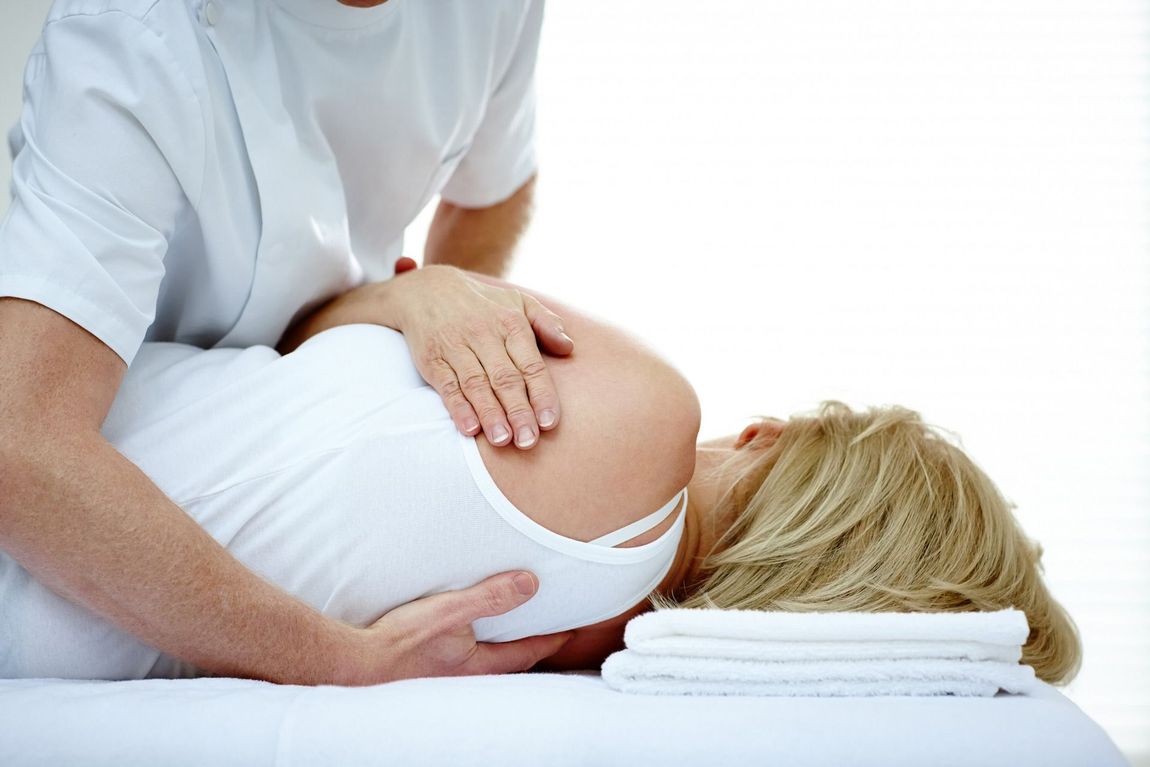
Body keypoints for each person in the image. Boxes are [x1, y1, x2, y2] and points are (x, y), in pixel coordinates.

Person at [0, 269, 1082, 685]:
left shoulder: (643, 414)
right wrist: (424, 301)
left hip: (51, 452)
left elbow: (308, 328)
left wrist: (416, 294)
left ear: (773, 430)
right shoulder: (568, 649)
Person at [0, 0, 576, 684]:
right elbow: (21, 447)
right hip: (110, 484)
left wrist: (427, 302)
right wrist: (340, 659)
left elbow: (497, 184)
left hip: (325, 374)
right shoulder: (133, 34)